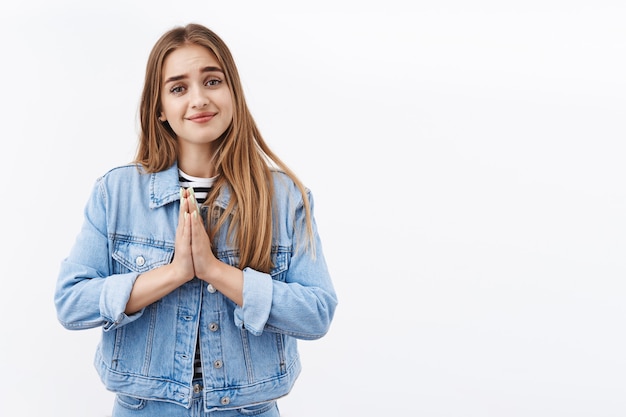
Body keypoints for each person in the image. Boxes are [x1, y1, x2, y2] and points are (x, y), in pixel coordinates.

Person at [54, 23, 337, 417]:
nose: (199, 99)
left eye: (213, 80)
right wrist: (174, 273)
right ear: (160, 108)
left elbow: (317, 312)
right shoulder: (115, 193)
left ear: (233, 92)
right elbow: (71, 302)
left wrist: (216, 271)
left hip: (247, 409)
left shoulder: (285, 197)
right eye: (178, 88)